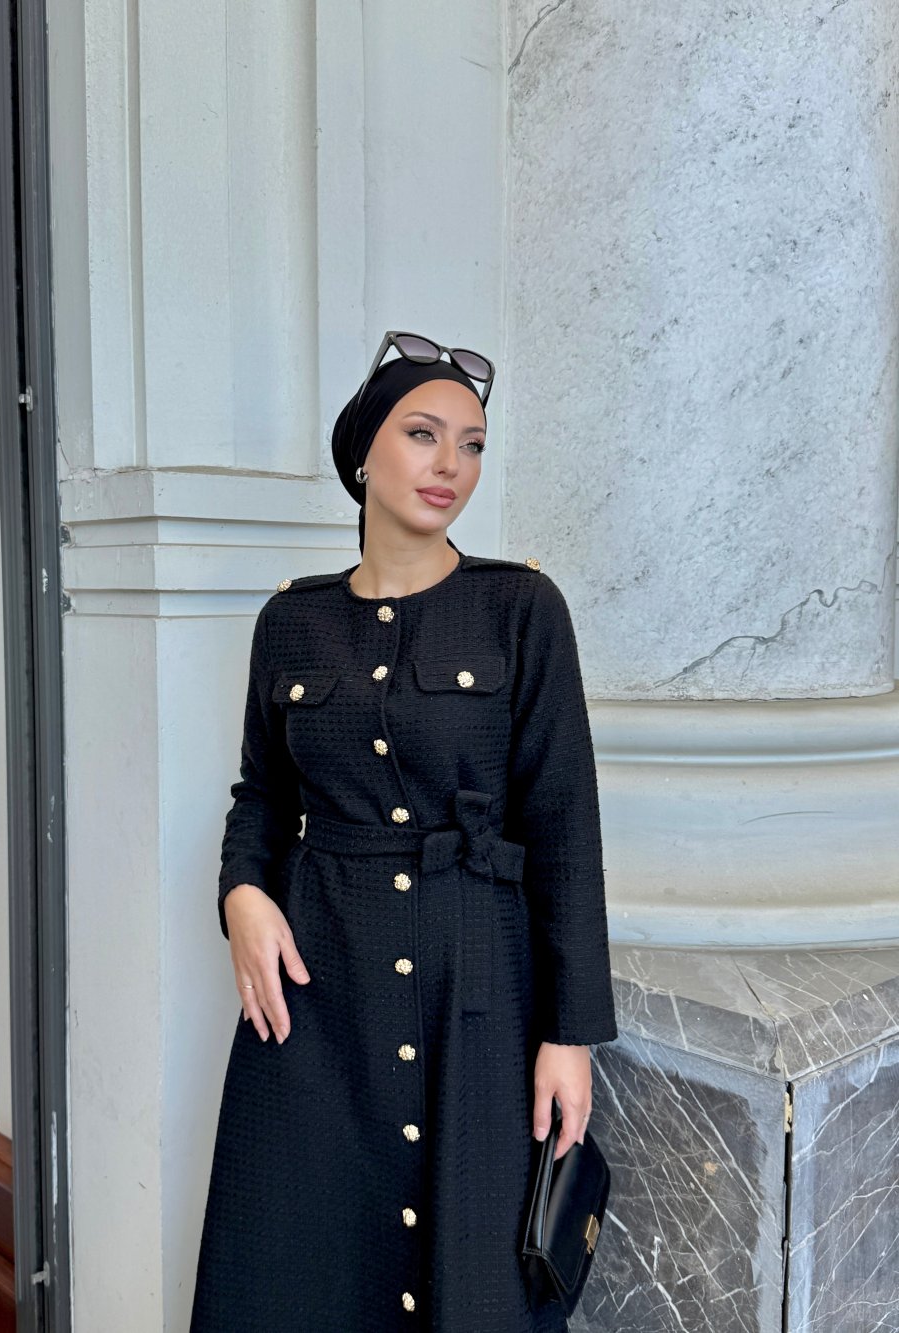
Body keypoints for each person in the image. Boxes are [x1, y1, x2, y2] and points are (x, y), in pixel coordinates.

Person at [189, 334, 618, 1332]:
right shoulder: (290, 624)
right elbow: (262, 793)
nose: (449, 464)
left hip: (481, 988)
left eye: (471, 444)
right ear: (362, 455)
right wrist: (242, 893)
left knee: (476, 1274)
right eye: (422, 434)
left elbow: (565, 827)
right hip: (319, 994)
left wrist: (570, 1034)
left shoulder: (521, 609)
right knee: (307, 1264)